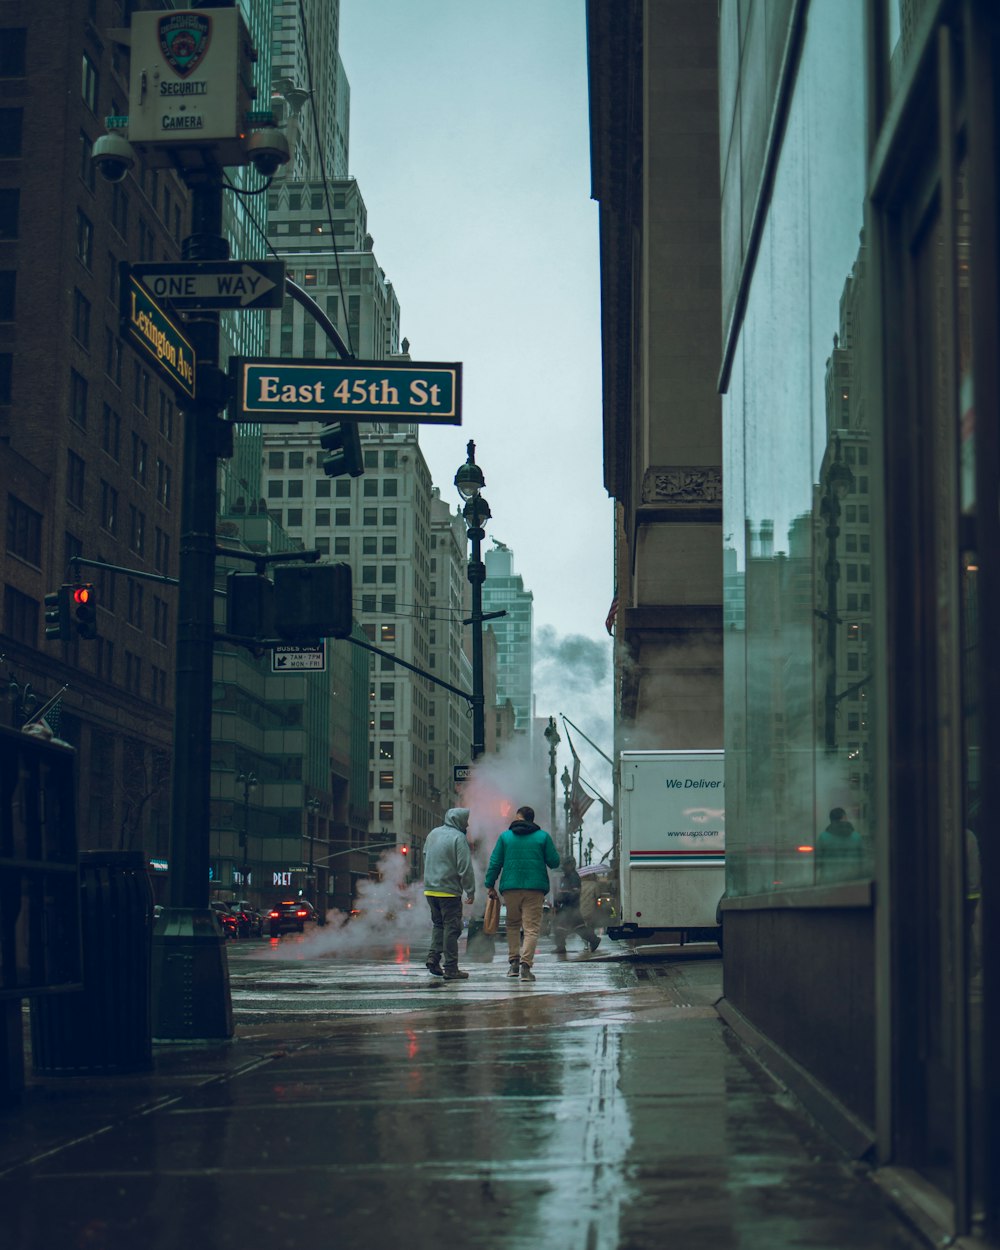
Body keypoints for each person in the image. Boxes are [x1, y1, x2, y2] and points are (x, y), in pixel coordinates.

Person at [485, 805, 560, 982]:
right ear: (532, 820)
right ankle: (526, 967)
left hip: (510, 888)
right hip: (535, 888)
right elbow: (554, 862)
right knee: (531, 929)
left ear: (518, 817)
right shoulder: (542, 837)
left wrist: (490, 884)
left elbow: (495, 862)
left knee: (512, 925)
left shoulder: (505, 837)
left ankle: (513, 964)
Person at [422, 807, 475, 981]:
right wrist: (470, 890)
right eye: (465, 820)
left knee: (439, 925)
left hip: (430, 890)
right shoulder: (458, 838)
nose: (467, 824)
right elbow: (464, 867)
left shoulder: (432, 834)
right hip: (449, 892)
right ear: (459, 820)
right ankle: (451, 968)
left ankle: (433, 958)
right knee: (452, 928)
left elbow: (425, 855)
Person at [552, 856, 601, 954]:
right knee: (578, 928)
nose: (564, 867)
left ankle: (561, 946)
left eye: (566, 865)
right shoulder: (566, 877)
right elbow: (563, 892)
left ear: (571, 865)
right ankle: (593, 940)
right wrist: (558, 900)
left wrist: (563, 898)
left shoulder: (574, 877)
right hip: (567, 908)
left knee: (561, 927)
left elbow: (574, 893)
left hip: (570, 908)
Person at [816, 807, 865, 883]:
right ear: (844, 818)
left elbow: (817, 863)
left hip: (828, 880)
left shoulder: (823, 837)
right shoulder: (857, 837)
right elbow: (862, 861)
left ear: (831, 820)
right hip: (852, 879)